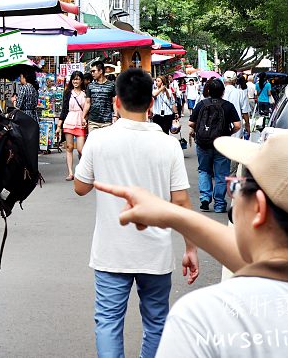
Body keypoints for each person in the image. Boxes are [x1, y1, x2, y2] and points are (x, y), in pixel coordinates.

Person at [95, 128, 288, 358]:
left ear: (258, 209)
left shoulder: (206, 317)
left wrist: (172, 215)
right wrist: (172, 214)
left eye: (237, 186)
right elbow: (272, 265)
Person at [73, 68, 199, 358]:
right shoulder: (168, 145)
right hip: (155, 253)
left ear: (117, 101)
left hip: (110, 252)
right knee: (156, 322)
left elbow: (80, 187)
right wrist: (190, 248)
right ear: (151, 103)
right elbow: (181, 201)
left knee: (108, 322)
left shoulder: (99, 140)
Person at [189, 78, 242, 213]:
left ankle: (205, 198)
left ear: (208, 91)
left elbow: (191, 123)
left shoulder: (201, 104)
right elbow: (237, 125)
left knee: (204, 170)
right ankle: (219, 204)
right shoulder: (228, 106)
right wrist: (229, 133)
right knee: (221, 174)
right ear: (223, 92)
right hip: (221, 144)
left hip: (203, 144)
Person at [59, 70, 91, 180]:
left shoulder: (85, 93)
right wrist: (59, 125)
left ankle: (83, 171)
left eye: (77, 79)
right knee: (69, 147)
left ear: (81, 80)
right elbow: (64, 109)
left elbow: (88, 108)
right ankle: (71, 173)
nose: (75, 81)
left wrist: (85, 118)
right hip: (69, 121)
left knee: (81, 149)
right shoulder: (68, 93)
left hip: (80, 122)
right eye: (73, 79)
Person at [86, 60, 117, 132]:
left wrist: (115, 115)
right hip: (93, 121)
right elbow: (87, 103)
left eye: (94, 71)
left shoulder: (111, 85)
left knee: (106, 143)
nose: (92, 73)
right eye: (91, 72)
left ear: (100, 71)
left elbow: (115, 102)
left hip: (107, 122)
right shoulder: (90, 86)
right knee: (93, 143)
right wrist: (83, 117)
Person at [222, 70, 251, 144]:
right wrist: (247, 125)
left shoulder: (220, 92)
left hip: (221, 125)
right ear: (235, 80)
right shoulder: (241, 93)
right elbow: (245, 112)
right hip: (237, 125)